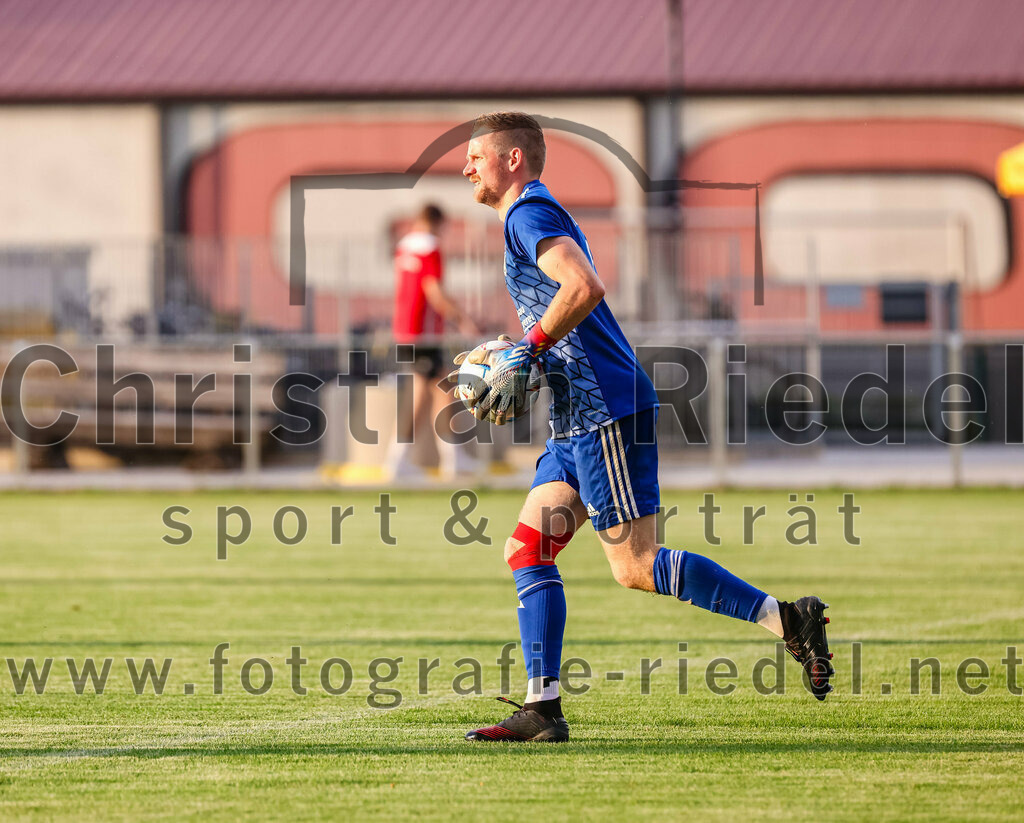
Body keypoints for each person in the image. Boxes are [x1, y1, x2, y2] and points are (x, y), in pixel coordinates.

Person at [454, 112, 834, 743]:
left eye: (476, 155)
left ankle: (788, 619)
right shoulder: (527, 216)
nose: (466, 166)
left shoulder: (528, 214)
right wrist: (530, 351)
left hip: (606, 409)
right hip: (575, 416)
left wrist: (528, 347)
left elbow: (585, 285)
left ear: (513, 160)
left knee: (635, 566)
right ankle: (542, 709)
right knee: (528, 549)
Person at [389, 203, 480, 478]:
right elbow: (434, 291)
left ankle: (445, 456)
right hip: (424, 333)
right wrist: (462, 318)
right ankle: (406, 459)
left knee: (435, 390)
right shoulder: (430, 248)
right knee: (438, 389)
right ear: (437, 223)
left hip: (406, 330)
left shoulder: (405, 246)